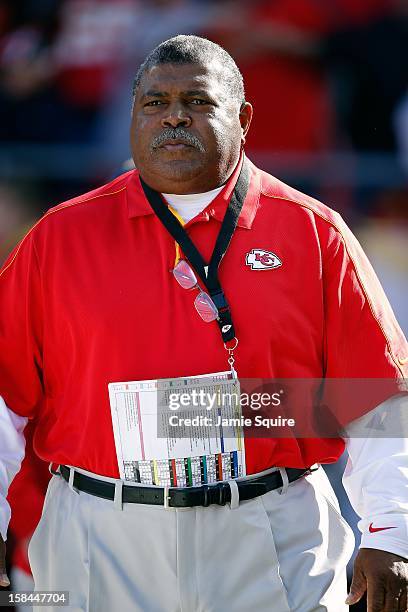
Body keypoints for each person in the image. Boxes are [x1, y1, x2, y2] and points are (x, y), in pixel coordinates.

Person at [0, 35, 407, 612]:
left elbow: (377, 397)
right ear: (131, 115)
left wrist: (393, 531)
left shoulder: (315, 234)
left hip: (271, 529)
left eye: (197, 102)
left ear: (242, 119)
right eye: (154, 103)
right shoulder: (58, 237)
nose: (174, 118)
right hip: (99, 533)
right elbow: (3, 398)